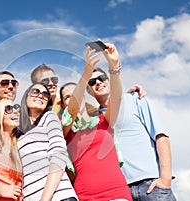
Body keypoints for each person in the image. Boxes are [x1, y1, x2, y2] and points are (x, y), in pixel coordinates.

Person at [86, 62, 176, 200]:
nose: (98, 82)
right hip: (121, 192)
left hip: (152, 185)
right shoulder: (94, 120)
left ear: (109, 81)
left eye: (102, 78)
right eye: (92, 81)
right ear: (88, 91)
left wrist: (165, 179)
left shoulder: (135, 99)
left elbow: (161, 136)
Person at [62, 43, 132, 200]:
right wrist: (86, 74)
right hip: (85, 195)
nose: (75, 97)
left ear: (85, 96)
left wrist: (113, 68)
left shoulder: (104, 120)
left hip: (117, 192)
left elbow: (116, 98)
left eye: (77, 92)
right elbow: (72, 110)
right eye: (68, 96)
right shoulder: (65, 131)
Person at [17, 83, 78, 201]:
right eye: (35, 92)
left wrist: (44, 199)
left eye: (45, 94)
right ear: (26, 97)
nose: (41, 96)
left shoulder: (49, 117)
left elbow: (59, 156)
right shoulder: (19, 132)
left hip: (58, 196)